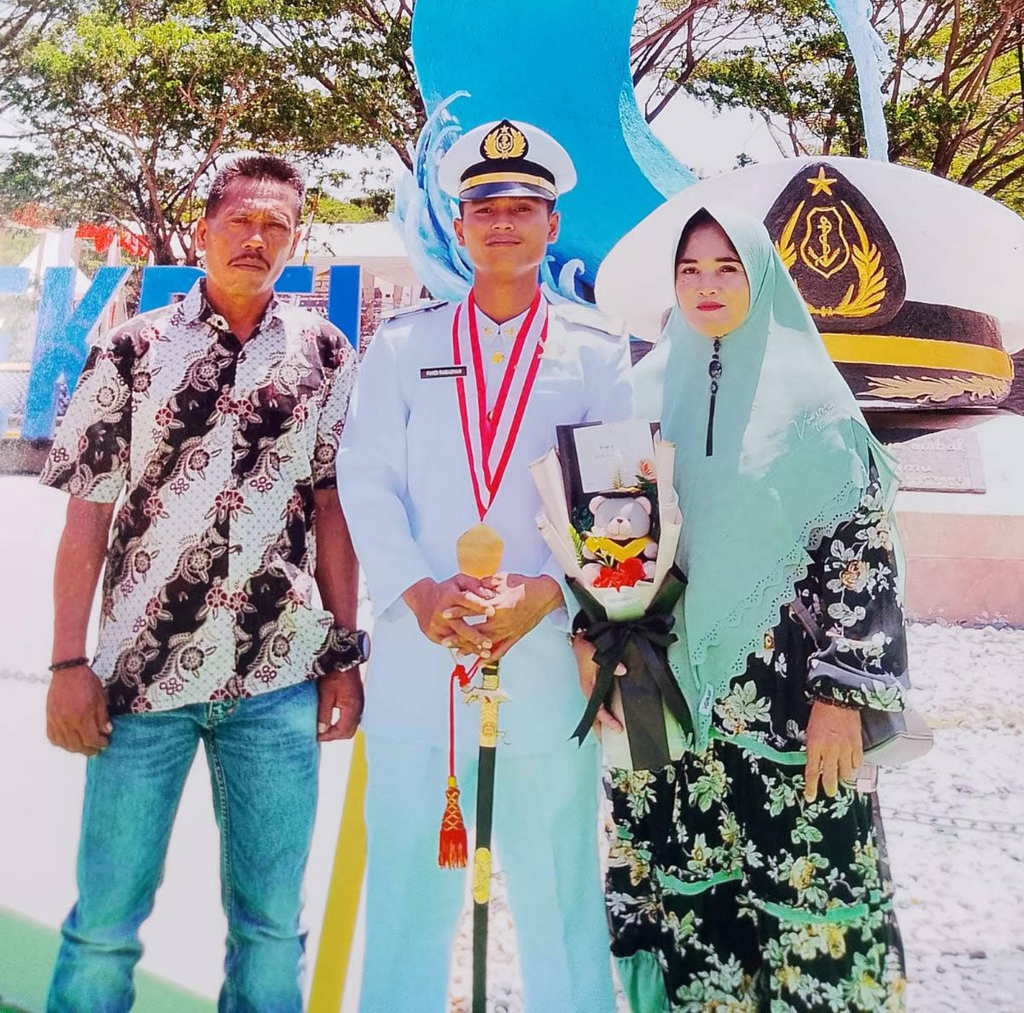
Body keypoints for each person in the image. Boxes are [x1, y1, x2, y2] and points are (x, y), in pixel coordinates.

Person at [41, 154, 369, 1013]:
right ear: (204, 229)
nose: (258, 239)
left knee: (269, 926)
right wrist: (67, 665)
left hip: (275, 679)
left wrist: (344, 652)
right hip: (139, 680)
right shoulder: (132, 349)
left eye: (277, 226)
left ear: (297, 240)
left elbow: (333, 511)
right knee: (106, 921)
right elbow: (87, 518)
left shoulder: (327, 355)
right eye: (241, 221)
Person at [577, 204, 908, 1013]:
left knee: (810, 900)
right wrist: (595, 640)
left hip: (793, 710)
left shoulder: (818, 410)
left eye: (727, 267)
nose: (708, 286)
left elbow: (862, 557)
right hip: (667, 705)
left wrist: (845, 698)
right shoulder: (639, 393)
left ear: (760, 276)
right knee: (694, 904)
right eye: (690, 270)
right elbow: (608, 549)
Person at [337, 118, 633, 1013]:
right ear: (457, 228)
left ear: (552, 226)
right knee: (404, 886)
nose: (502, 223)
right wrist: (417, 589)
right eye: (483, 208)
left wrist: (546, 590)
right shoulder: (400, 344)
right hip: (424, 649)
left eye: (523, 207)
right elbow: (367, 478)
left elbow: (618, 497)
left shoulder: (595, 348)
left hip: (543, 653)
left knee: (558, 887)